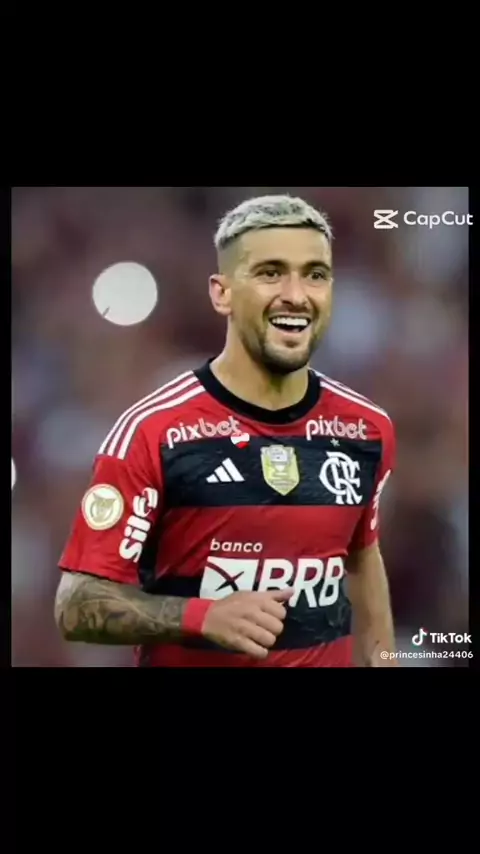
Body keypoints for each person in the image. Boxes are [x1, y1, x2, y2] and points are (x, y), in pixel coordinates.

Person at [55, 194, 397, 667]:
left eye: (315, 274)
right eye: (270, 273)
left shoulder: (366, 430)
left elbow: (361, 558)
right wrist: (199, 616)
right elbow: (75, 604)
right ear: (222, 293)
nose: (296, 295)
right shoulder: (152, 432)